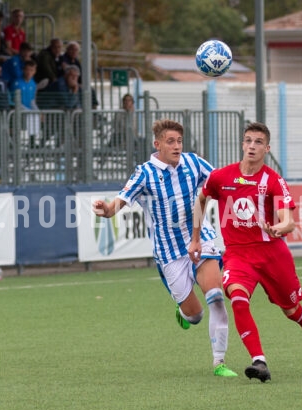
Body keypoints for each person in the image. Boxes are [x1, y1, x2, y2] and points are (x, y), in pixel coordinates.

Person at [92, 119, 238, 378]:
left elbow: (221, 181)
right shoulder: (144, 173)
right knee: (195, 316)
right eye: (171, 142)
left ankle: (219, 362)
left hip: (200, 239)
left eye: (179, 141)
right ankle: (183, 309)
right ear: (157, 144)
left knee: (216, 296)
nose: (177, 146)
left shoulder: (193, 162)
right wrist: (105, 211)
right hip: (168, 253)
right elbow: (117, 204)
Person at [188, 122, 302, 382]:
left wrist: (279, 227)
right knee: (238, 299)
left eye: (257, 142)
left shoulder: (273, 180)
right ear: (242, 144)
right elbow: (200, 201)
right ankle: (259, 361)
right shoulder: (221, 177)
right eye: (248, 141)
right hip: (237, 254)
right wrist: (195, 239)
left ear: (266, 148)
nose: (251, 146)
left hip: (272, 254)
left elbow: (289, 220)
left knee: (291, 310)